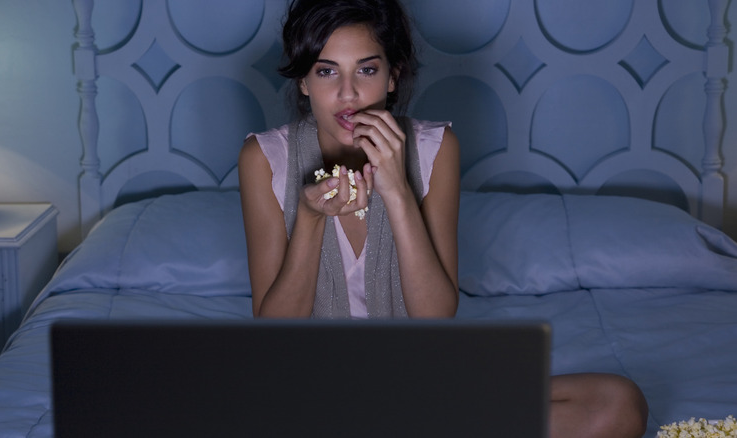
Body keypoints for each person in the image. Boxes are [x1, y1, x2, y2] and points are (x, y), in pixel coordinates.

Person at [238, 0, 647, 436]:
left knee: (618, 404)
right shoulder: (264, 159)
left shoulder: (436, 148)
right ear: (303, 80)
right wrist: (309, 219)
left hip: (414, 381)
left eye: (367, 70)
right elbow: (275, 331)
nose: (348, 93)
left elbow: (434, 316)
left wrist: (397, 191)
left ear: (393, 76)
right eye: (326, 71)